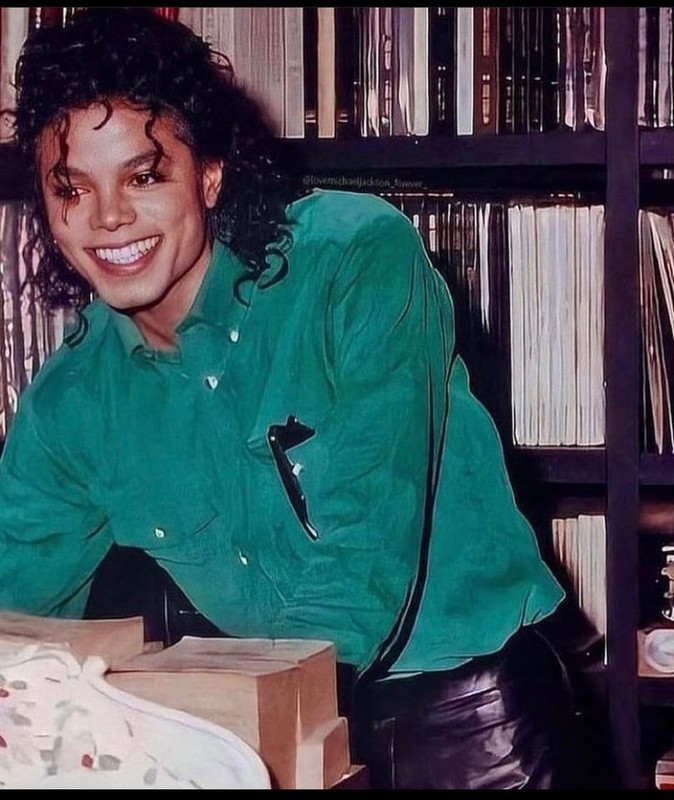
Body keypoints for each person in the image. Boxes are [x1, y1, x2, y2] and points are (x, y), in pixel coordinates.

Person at [0, 8, 574, 790]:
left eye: (143, 176)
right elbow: (12, 605)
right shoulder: (72, 402)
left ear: (209, 174)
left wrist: (246, 733)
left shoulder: (354, 258)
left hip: (471, 726)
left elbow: (363, 555)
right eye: (72, 189)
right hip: (262, 735)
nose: (108, 218)